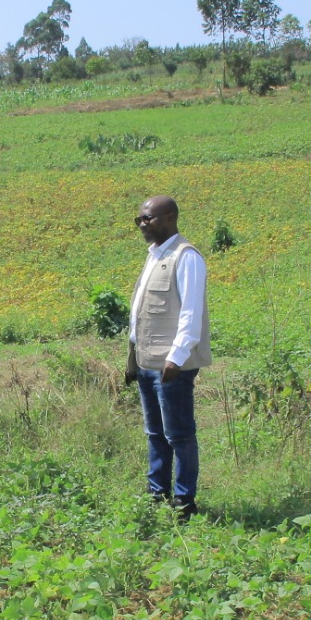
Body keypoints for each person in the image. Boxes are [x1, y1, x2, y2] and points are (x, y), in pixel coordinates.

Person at [123, 195, 210, 518]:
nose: (143, 224)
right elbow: (140, 314)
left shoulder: (186, 257)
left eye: (149, 218)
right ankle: (156, 494)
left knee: (179, 434)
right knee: (155, 433)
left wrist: (177, 357)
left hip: (171, 364)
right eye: (140, 219)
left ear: (170, 218)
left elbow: (191, 312)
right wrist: (133, 356)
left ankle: (185, 501)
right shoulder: (154, 256)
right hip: (147, 361)